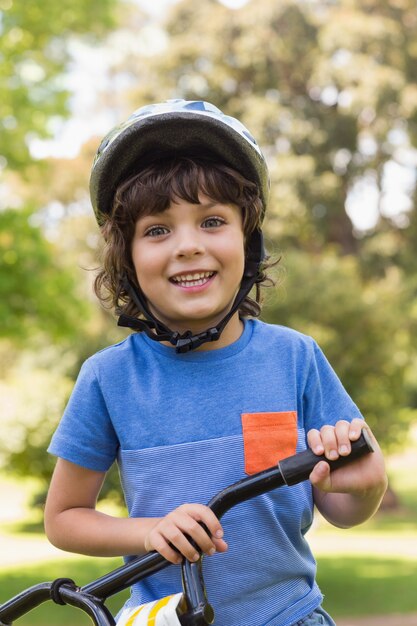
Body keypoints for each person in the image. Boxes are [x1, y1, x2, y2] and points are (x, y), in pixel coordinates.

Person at [44, 100, 387, 626]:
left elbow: (342, 510)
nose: (187, 246)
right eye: (158, 230)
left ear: (247, 241)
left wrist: (365, 486)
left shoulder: (294, 357)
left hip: (289, 617)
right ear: (127, 258)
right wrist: (148, 531)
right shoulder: (108, 378)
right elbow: (64, 518)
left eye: (211, 221)